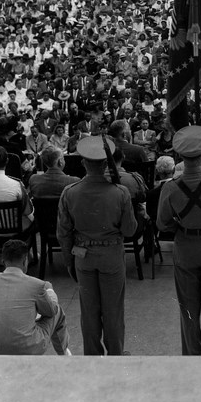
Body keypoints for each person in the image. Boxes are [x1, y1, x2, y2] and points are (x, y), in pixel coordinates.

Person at [56, 136, 137, 356]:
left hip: (83, 257)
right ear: (105, 164)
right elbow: (130, 230)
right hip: (111, 255)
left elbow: (63, 233)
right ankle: (115, 355)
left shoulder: (70, 192)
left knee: (89, 312)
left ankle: (92, 356)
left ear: (83, 163)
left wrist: (69, 262)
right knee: (113, 311)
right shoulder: (120, 192)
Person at [156, 125, 201, 355]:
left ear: (179, 157)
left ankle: (192, 358)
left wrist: (181, 227)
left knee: (187, 308)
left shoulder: (171, 188)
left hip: (186, 245)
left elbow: (162, 223)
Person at [0, 239, 70, 355]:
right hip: (28, 347)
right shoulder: (37, 284)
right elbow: (51, 311)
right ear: (25, 261)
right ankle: (65, 355)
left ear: (3, 260)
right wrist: (50, 290)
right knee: (58, 312)